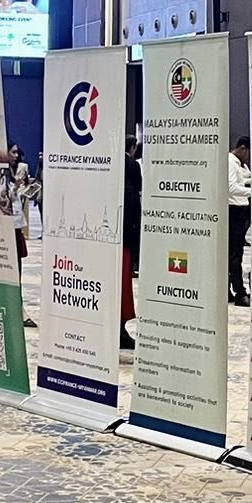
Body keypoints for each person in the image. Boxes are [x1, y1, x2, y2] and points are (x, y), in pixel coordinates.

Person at [121, 136, 142, 350]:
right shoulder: (132, 165)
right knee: (123, 281)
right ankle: (120, 330)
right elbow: (137, 192)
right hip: (127, 230)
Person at [227, 136, 252, 307]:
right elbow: (231, 188)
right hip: (233, 210)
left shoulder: (239, 164)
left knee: (234, 254)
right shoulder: (230, 162)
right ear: (243, 148)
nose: (248, 158)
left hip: (239, 210)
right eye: (248, 153)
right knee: (235, 255)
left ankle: (229, 289)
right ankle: (239, 292)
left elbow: (241, 181)